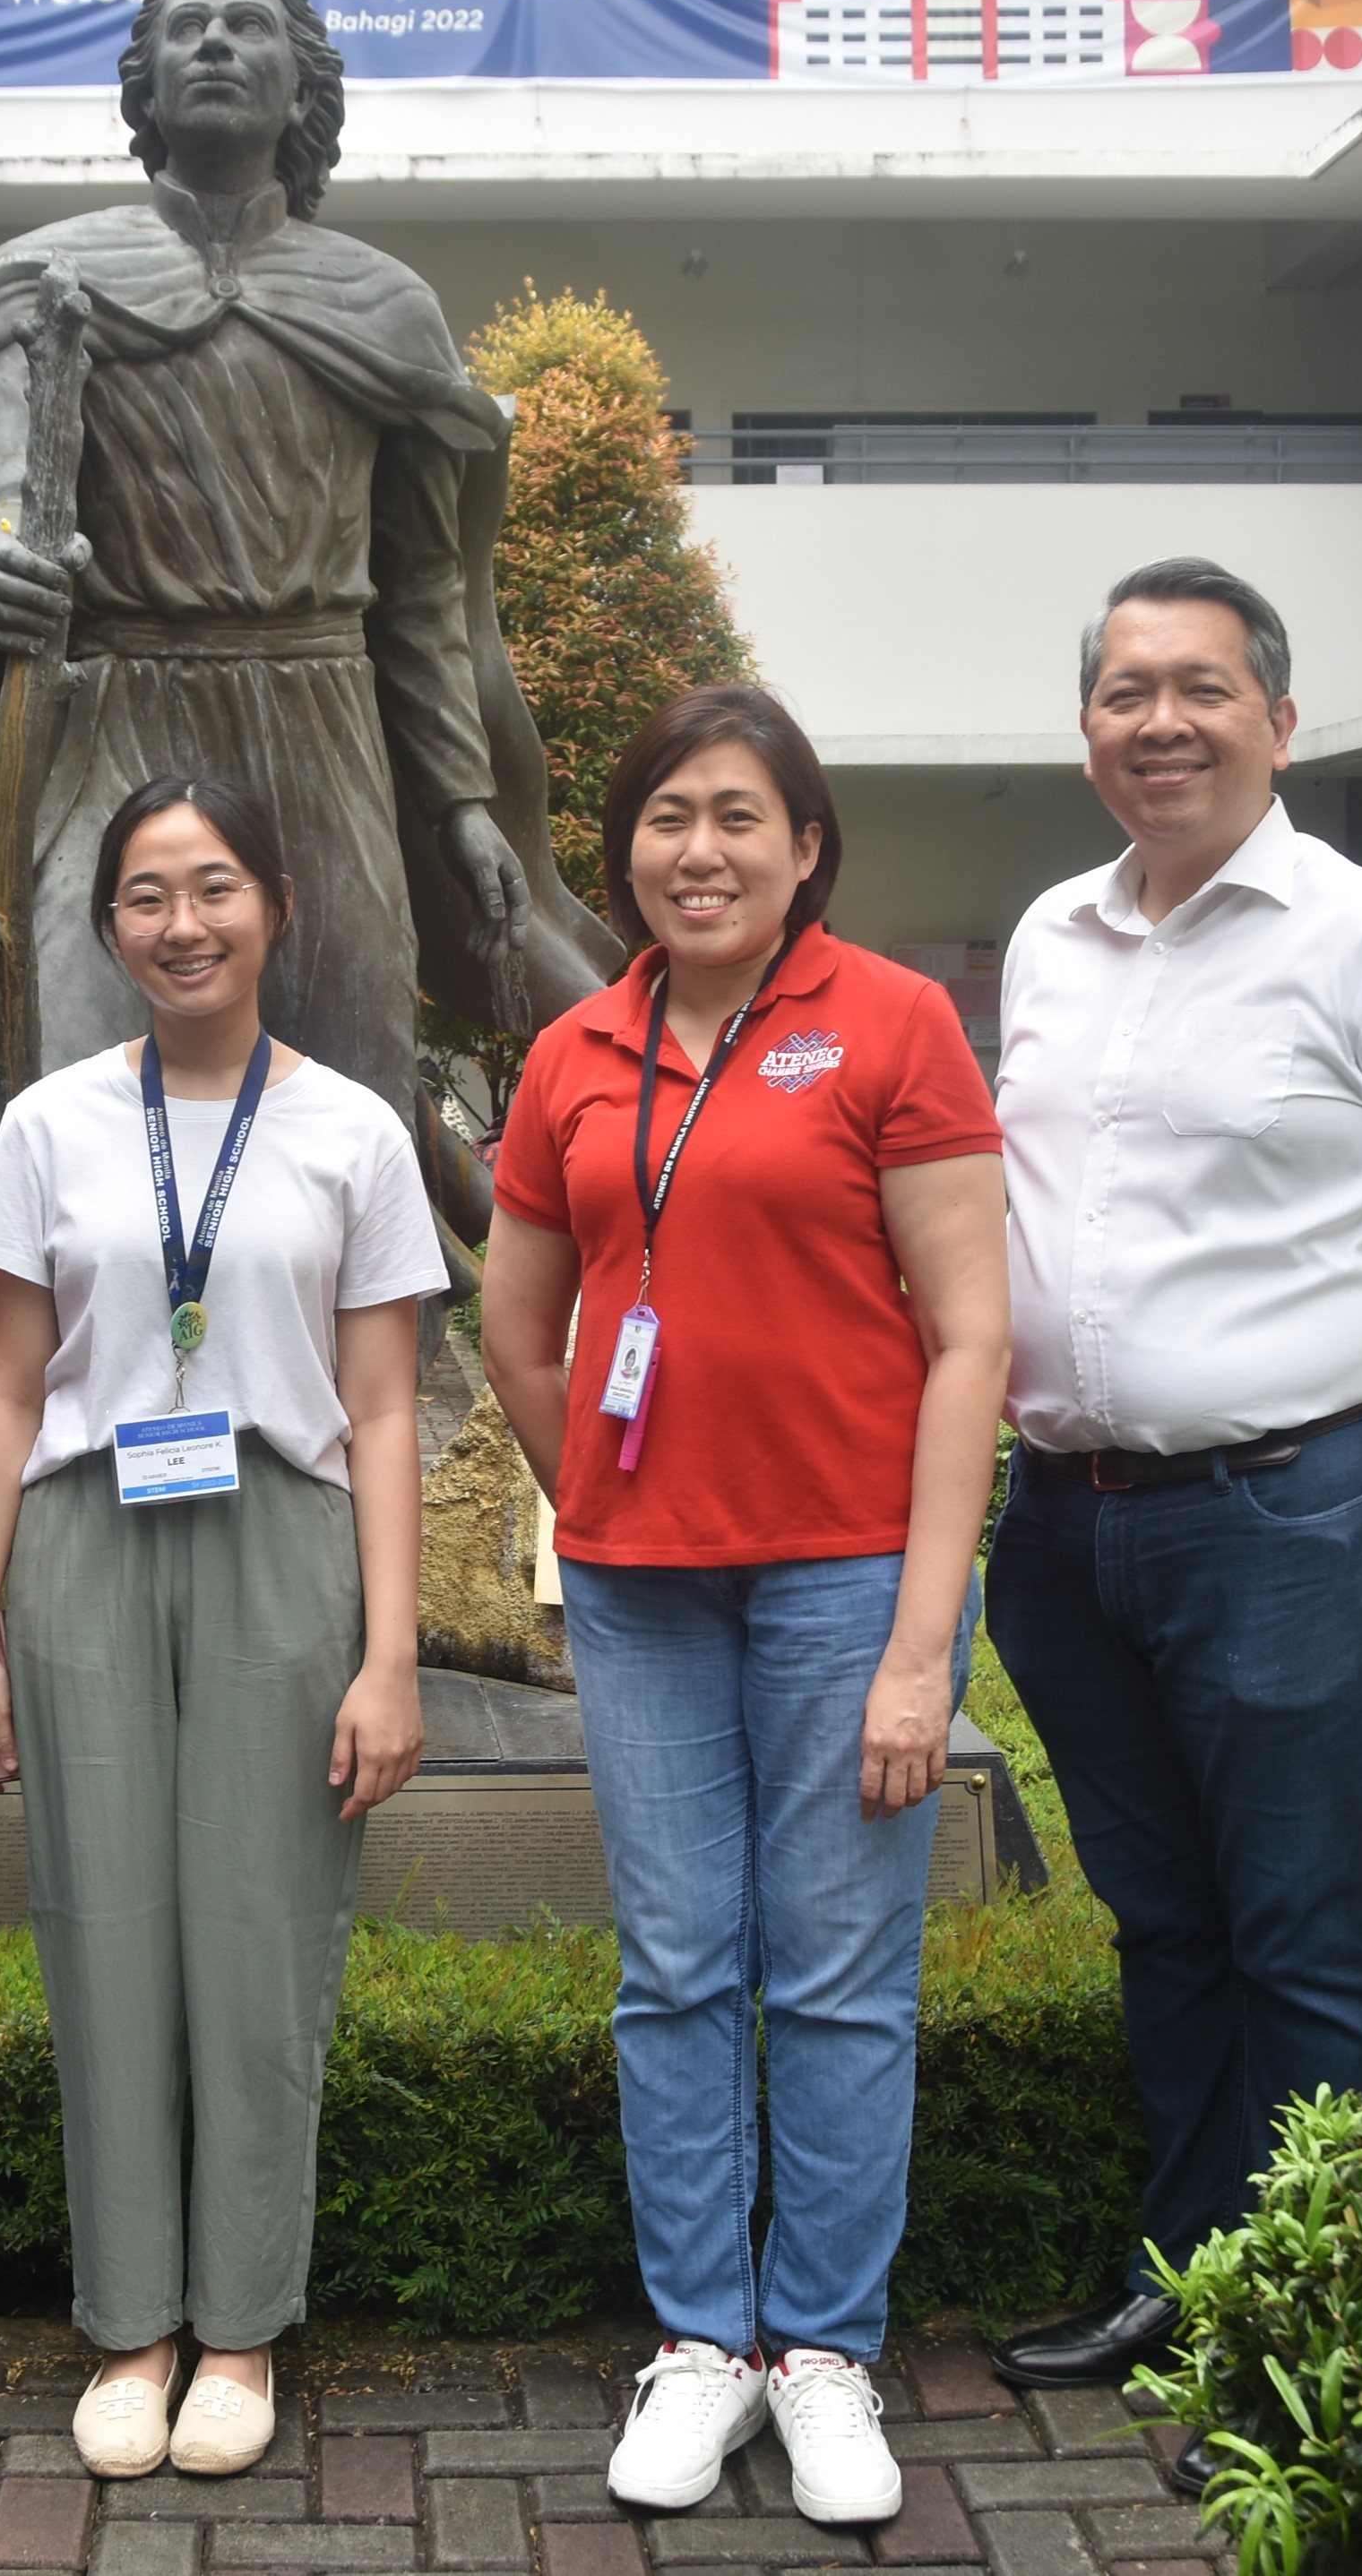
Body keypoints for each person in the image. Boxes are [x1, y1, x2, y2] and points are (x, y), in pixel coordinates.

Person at [983, 560, 1362, 2484]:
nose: (1160, 721)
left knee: (1306, 1925)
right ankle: (1188, 2273)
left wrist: (1338, 1398)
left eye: (1201, 688)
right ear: (1087, 727)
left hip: (1294, 1509)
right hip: (1067, 1526)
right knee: (1165, 1920)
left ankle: (1304, 2329)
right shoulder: (1051, 937)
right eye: (1124, 690)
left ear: (1280, 720)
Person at [480, 686, 1010, 2532]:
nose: (697, 849)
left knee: (845, 1977)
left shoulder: (893, 1023)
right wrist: (602, 1501)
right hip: (644, 1592)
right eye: (663, 819)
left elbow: (970, 1340)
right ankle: (705, 2337)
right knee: (680, 1966)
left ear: (803, 843)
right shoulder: (573, 1051)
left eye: (737, 816)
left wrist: (922, 1647)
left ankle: (826, 2354)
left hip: (847, 1575)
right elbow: (517, 1326)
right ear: (621, 847)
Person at [0, 773, 442, 2479]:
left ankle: (239, 2330)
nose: (182, 923)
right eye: (144, 894)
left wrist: (390, 1651)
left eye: (214, 886)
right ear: (109, 928)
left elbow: (383, 1410)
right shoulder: (51, 1123)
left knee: (259, 1938)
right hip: (86, 1538)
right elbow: (10, 1389)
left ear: (276, 906)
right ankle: (130, 2326)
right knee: (104, 1938)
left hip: (277, 1545)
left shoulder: (357, 1131)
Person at [0, 0, 617, 1129]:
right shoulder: (43, 279)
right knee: (82, 1076)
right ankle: (57, 1311)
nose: (214, 43)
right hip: (115, 720)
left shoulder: (382, 303)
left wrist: (457, 800)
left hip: (325, 724)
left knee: (351, 1086)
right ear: (144, 92)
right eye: (186, 29)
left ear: (301, 90)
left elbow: (420, 594)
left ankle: (380, 1317)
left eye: (248, 27)